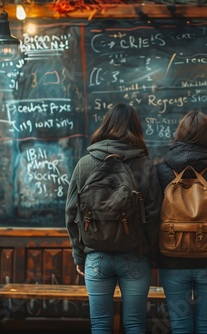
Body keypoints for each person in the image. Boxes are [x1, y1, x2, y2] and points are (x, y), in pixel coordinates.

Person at [65, 103, 162, 334]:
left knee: (100, 325)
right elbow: (154, 214)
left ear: (105, 125)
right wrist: (153, 256)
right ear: (136, 128)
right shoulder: (144, 165)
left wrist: (79, 253)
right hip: (134, 256)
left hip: (96, 256)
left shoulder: (85, 164)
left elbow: (71, 212)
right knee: (135, 324)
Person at [155, 110, 207, 334]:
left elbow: (152, 216)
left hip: (171, 258)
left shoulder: (161, 170)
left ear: (179, 134)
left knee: (180, 325)